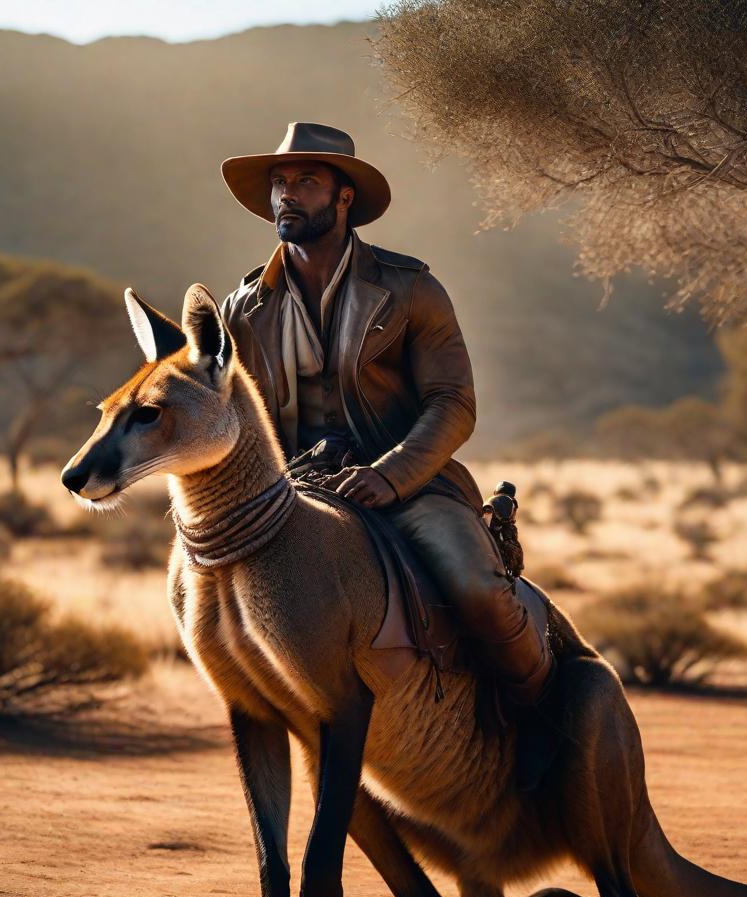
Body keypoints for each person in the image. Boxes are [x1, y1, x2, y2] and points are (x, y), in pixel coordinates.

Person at [219, 122, 553, 745]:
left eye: (306, 181)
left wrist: (390, 475)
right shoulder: (244, 308)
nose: (287, 195)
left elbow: (453, 402)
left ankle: (536, 725)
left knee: (478, 590)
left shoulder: (409, 288)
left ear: (344, 198)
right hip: (294, 490)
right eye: (279, 183)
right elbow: (241, 413)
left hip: (411, 486)